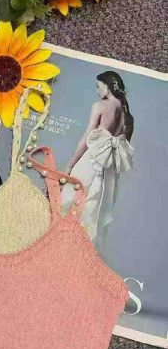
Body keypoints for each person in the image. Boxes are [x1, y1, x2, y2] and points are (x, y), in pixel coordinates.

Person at [62, 71, 134, 248]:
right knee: (94, 213)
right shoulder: (129, 118)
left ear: (108, 87)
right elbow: (122, 151)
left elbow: (85, 139)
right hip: (109, 171)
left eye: (98, 86)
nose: (97, 90)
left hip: (90, 160)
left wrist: (69, 165)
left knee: (67, 202)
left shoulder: (100, 106)